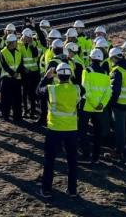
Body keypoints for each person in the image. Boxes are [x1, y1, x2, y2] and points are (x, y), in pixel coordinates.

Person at [39, 62, 82, 199]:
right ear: (70, 75)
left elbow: (38, 90)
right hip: (71, 129)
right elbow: (81, 88)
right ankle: (72, 190)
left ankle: (46, 189)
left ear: (57, 75)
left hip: (55, 129)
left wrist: (46, 77)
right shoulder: (77, 89)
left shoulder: (51, 89)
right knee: (72, 161)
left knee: (49, 160)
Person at [79, 48, 112, 163]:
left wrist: (93, 103)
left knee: (82, 131)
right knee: (97, 132)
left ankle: (86, 154)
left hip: (87, 106)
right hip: (99, 108)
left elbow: (85, 89)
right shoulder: (105, 73)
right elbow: (108, 91)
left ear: (90, 58)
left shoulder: (87, 71)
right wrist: (101, 104)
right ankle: (96, 156)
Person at [0, 33, 24, 122]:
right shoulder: (3, 52)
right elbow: (4, 65)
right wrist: (13, 73)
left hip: (16, 79)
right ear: (11, 43)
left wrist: (17, 73)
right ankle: (6, 115)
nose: (16, 43)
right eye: (15, 42)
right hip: (6, 78)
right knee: (6, 99)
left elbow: (21, 64)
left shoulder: (18, 52)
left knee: (17, 98)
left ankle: (17, 116)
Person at [20, 28, 43, 120]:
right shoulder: (19, 45)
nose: (27, 39)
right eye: (26, 37)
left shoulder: (34, 44)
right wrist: (23, 69)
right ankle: (25, 111)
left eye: (29, 37)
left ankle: (32, 112)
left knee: (32, 93)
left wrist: (31, 45)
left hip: (34, 73)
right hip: (24, 73)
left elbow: (35, 55)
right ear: (22, 36)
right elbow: (19, 59)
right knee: (24, 93)